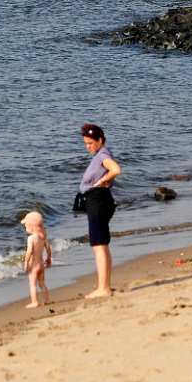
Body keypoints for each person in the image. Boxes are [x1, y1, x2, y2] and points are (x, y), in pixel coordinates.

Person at [79, 123, 121, 299]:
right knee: (101, 245)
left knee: (99, 246)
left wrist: (101, 181)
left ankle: (103, 288)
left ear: (100, 140)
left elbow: (116, 169)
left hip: (98, 201)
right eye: (86, 143)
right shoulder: (99, 155)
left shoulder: (103, 154)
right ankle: (105, 286)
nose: (88, 146)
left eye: (90, 143)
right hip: (98, 201)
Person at [20, 210, 52, 308]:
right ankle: (47, 300)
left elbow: (29, 252)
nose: (25, 227)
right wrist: (49, 258)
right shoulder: (43, 237)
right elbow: (48, 248)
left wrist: (26, 262)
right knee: (42, 283)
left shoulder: (31, 238)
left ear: (32, 226)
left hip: (33, 265)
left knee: (32, 284)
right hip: (41, 264)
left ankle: (34, 302)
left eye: (26, 225)